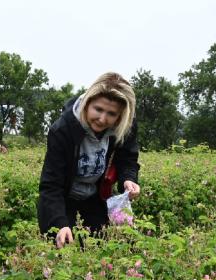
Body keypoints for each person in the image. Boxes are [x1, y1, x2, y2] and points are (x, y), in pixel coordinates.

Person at [38, 72, 140, 248]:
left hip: (95, 196)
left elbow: (127, 159)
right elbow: (51, 185)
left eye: (111, 113)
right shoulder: (63, 129)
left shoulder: (124, 128)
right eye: (98, 109)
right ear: (87, 103)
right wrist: (60, 223)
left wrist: (129, 179)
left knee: (101, 249)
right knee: (61, 250)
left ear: (120, 116)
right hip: (63, 198)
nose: (102, 119)